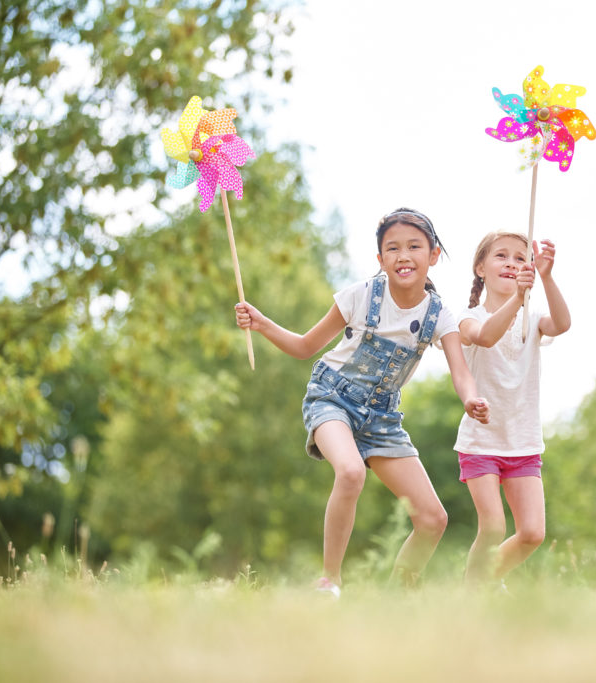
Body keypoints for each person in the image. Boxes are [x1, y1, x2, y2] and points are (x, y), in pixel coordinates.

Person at [235, 208, 490, 597]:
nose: (403, 255)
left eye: (414, 246)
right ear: (381, 259)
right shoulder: (360, 295)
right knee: (350, 472)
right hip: (332, 399)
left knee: (433, 519)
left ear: (434, 254)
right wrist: (261, 322)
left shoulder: (439, 315)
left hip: (383, 418)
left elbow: (461, 372)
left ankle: (394, 599)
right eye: (393, 248)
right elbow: (306, 347)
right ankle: (329, 581)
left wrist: (471, 399)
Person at [453, 231, 571, 585]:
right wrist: (518, 298)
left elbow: (562, 324)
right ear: (480, 268)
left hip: (523, 441)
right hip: (481, 442)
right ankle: (470, 595)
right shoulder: (467, 317)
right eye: (501, 256)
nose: (511, 263)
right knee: (491, 528)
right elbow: (486, 336)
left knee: (532, 533)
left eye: (521, 258)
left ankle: (483, 582)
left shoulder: (531, 317)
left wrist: (546, 278)